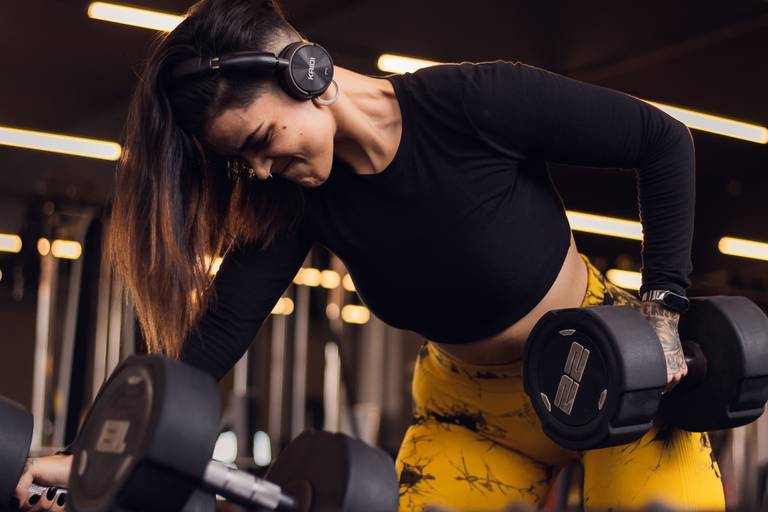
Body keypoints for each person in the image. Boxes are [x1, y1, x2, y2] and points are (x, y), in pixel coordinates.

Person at [17, 0, 725, 510]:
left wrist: (664, 310)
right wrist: (87, 458)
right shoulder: (294, 201)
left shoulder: (472, 101)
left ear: (309, 74)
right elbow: (222, 328)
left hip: (609, 373)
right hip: (470, 415)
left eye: (262, 140)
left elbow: (661, 140)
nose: (259, 170)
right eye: (242, 161)